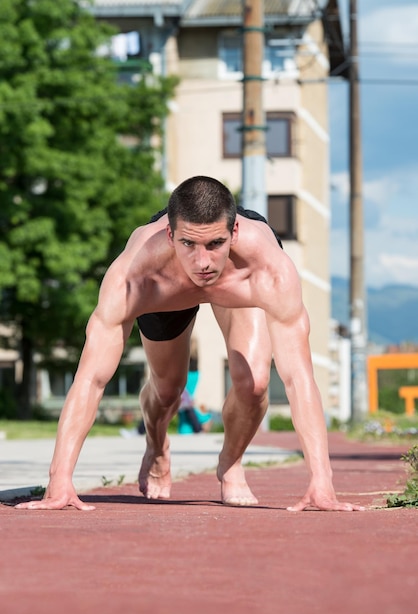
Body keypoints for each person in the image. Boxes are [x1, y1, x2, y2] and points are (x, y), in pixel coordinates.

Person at [16, 175, 364, 512]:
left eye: (215, 244)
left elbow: (297, 377)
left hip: (239, 281)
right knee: (168, 390)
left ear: (235, 232)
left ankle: (230, 464)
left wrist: (323, 482)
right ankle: (157, 446)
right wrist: (58, 481)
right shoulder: (135, 276)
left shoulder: (267, 268)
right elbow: (91, 379)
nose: (203, 263)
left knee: (255, 383)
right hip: (167, 288)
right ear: (170, 235)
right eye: (188, 244)